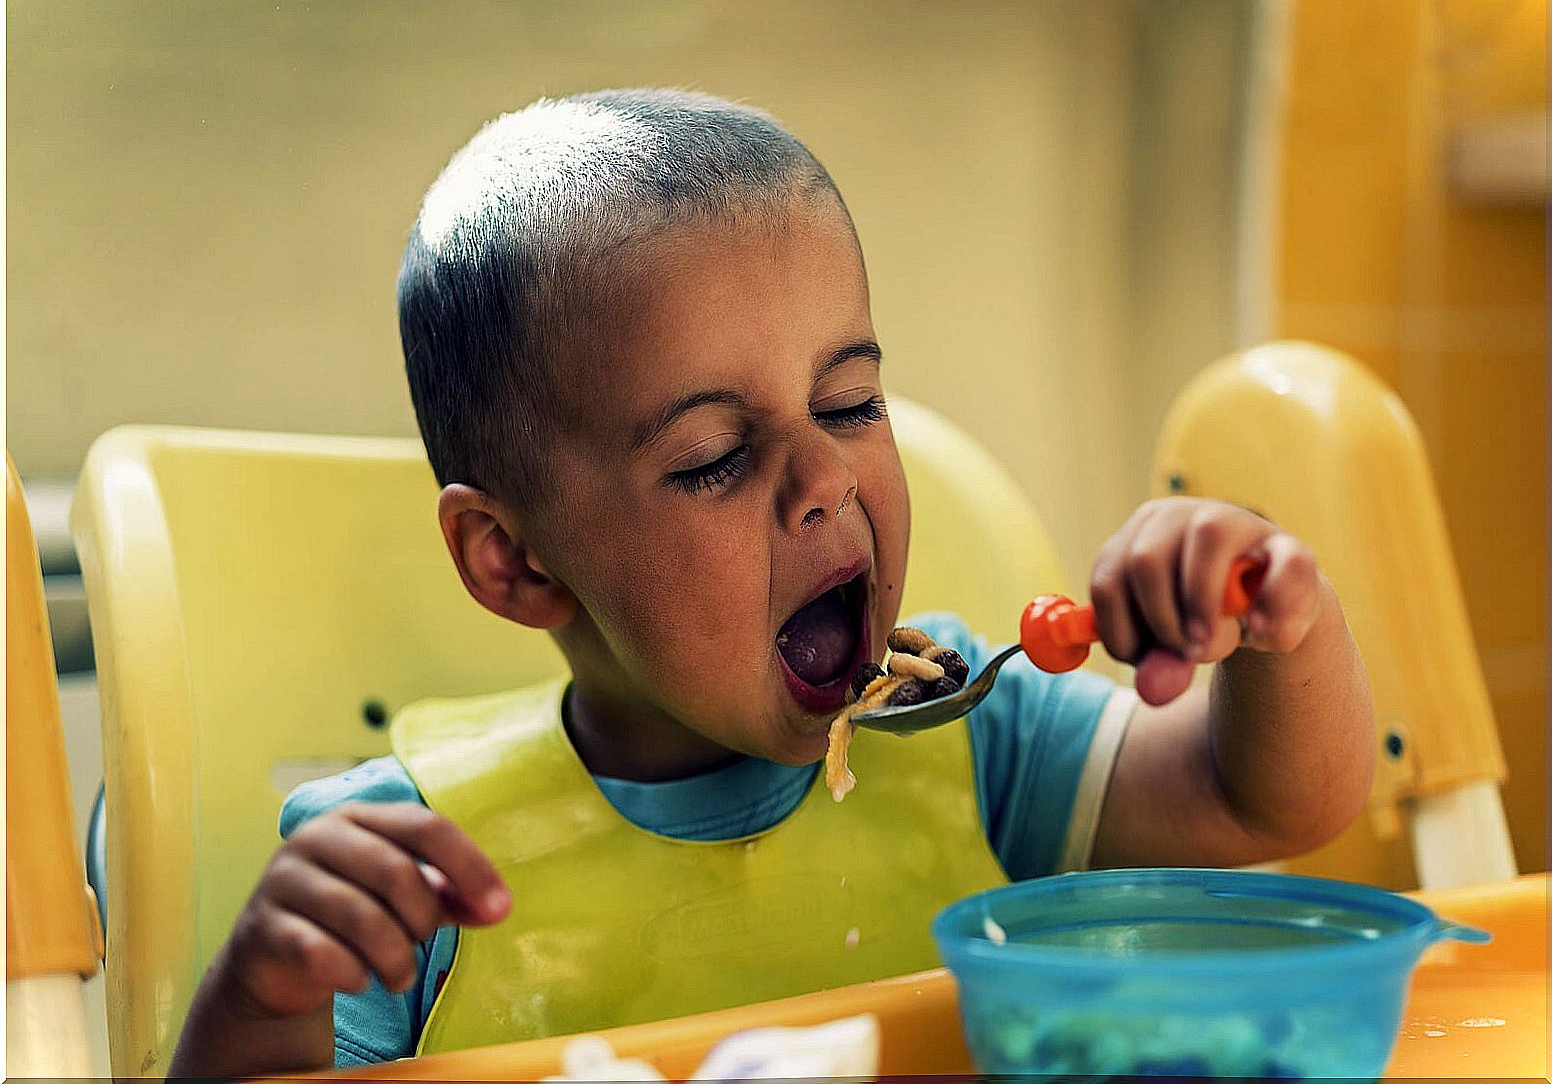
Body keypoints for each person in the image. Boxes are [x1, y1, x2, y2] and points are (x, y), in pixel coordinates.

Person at [169, 89, 1374, 1076]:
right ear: (516, 559)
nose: (822, 478)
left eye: (849, 403)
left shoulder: (974, 738)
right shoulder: (406, 871)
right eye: (714, 458)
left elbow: (1270, 799)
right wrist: (258, 1016)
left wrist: (1274, 618)